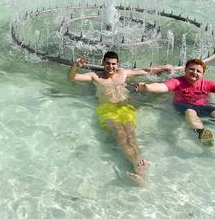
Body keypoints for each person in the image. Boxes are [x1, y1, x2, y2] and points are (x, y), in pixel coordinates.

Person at [68, 51, 174, 184]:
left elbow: (145, 70)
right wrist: (76, 65)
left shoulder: (123, 73)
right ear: (103, 63)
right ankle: (137, 164)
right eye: (107, 63)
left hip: (125, 108)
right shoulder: (95, 76)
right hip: (107, 110)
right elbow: (72, 77)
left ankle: (140, 170)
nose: (110, 66)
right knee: (120, 134)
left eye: (113, 64)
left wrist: (164, 67)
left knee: (131, 135)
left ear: (118, 64)